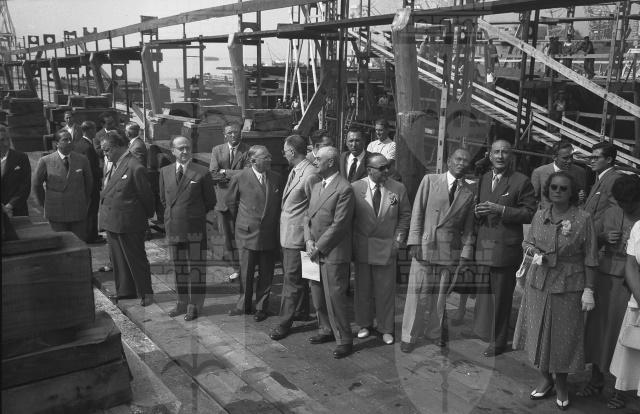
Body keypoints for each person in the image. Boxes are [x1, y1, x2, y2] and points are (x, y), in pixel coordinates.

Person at [520, 171, 598, 411]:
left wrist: (589, 289)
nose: (557, 191)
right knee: (538, 332)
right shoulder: (540, 214)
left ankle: (562, 383)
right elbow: (527, 242)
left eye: (564, 188)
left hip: (568, 285)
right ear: (548, 189)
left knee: (563, 338)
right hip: (539, 283)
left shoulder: (583, 219)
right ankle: (545, 378)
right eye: (554, 187)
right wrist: (533, 251)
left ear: (572, 192)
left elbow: (591, 257)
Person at [400, 148, 476, 353]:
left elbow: (469, 227)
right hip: (425, 245)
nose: (461, 163)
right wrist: (414, 241)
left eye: (466, 161)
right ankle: (409, 335)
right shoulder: (430, 180)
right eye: (458, 159)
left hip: (449, 249)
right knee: (417, 293)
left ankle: (434, 332)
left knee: (440, 296)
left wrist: (466, 253)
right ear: (449, 161)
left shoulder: (469, 192)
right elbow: (417, 212)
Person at [473, 139, 536, 357]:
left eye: (505, 152)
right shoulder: (484, 178)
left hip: (504, 248)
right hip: (484, 243)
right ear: (490, 155)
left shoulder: (521, 181)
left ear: (511, 156)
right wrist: (477, 212)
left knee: (501, 298)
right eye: (496, 152)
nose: (500, 156)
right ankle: (483, 330)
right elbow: (479, 206)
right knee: (484, 295)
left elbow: (529, 213)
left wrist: (501, 210)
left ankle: (498, 341)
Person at [580, 174, 640, 400]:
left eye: (630, 203)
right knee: (599, 333)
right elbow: (589, 240)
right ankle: (595, 379)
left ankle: (620, 389)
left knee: (624, 337)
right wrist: (603, 237)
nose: (625, 207)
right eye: (621, 202)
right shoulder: (611, 212)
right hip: (605, 280)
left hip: (632, 285)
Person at [352, 153, 411, 345]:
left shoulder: (398, 188)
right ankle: (364, 324)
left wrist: (398, 241)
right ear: (369, 170)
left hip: (387, 247)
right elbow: (349, 218)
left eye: (388, 166)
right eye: (381, 168)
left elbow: (405, 217)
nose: (387, 171)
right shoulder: (355, 188)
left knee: (385, 291)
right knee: (363, 289)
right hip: (363, 247)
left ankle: (386, 328)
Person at [305, 146, 355, 359]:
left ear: (331, 162)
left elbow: (340, 225)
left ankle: (344, 339)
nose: (315, 162)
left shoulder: (344, 189)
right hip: (313, 250)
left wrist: (318, 247)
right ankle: (325, 329)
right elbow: (307, 216)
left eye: (318, 159)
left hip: (333, 252)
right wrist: (308, 240)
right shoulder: (317, 185)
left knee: (335, 297)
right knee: (317, 294)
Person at [160, 136, 216, 321]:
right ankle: (181, 302)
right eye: (181, 148)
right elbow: (163, 199)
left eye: (187, 148)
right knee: (179, 269)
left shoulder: (202, 172)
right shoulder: (165, 172)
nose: (185, 151)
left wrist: (192, 215)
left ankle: (195, 306)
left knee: (196, 269)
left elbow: (210, 201)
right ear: (172, 151)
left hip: (194, 229)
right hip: (174, 227)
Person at [270, 135, 320, 341]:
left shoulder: (310, 174)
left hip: (299, 236)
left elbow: (315, 207)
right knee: (301, 277)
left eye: (285, 151)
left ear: (292, 152)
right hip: (292, 234)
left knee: (292, 280)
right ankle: (301, 311)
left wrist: (309, 237)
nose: (284, 154)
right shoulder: (297, 170)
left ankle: (284, 323)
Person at [226, 145, 282, 321]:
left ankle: (261, 307)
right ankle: (243, 305)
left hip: (268, 233)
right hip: (247, 233)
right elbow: (231, 204)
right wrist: (244, 222)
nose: (269, 159)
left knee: (266, 273)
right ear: (253, 160)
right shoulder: (240, 177)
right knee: (246, 272)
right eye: (265, 157)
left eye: (269, 156)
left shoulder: (276, 178)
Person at [99, 131, 155, 306]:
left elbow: (146, 196)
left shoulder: (134, 166)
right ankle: (125, 291)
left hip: (129, 223)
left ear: (117, 146)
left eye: (107, 150)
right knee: (118, 260)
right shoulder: (113, 165)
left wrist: (143, 218)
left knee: (136, 259)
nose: (105, 154)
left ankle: (146, 293)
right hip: (113, 221)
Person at [32, 130, 93, 241]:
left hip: (78, 211)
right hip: (56, 213)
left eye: (70, 139)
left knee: (79, 243)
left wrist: (84, 202)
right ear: (56, 143)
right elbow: (37, 184)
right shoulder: (46, 161)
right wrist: (44, 204)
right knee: (61, 243)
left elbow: (89, 183)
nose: (69, 142)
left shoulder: (82, 159)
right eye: (65, 139)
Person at [209, 121, 249, 281]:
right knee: (226, 238)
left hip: (242, 201)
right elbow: (213, 174)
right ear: (224, 135)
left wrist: (225, 171)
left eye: (236, 132)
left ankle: (245, 267)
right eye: (230, 132)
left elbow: (248, 174)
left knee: (242, 237)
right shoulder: (217, 150)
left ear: (240, 133)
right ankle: (236, 268)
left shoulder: (248, 150)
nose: (233, 135)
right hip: (223, 201)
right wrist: (235, 174)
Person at [608, 213, 640, 409]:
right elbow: (631, 266)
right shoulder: (639, 226)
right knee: (632, 350)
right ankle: (621, 391)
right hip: (639, 297)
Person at [530, 140, 586, 209]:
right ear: (554, 157)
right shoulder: (539, 172)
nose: (569, 161)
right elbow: (532, 199)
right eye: (565, 158)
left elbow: (582, 196)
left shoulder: (580, 172)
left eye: (571, 157)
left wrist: (579, 198)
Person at [74, 121, 103, 243]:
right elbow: (91, 168)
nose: (96, 131)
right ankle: (91, 236)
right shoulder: (88, 148)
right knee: (92, 209)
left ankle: (88, 233)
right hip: (91, 184)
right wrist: (103, 172)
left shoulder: (78, 144)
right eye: (94, 129)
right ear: (89, 130)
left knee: (87, 209)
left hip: (81, 182)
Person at [584, 142, 622, 226]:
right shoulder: (601, 178)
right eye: (591, 158)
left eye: (596, 158)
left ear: (609, 160)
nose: (592, 161)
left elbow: (616, 212)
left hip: (601, 232)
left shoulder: (614, 179)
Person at [0, 125, 31, 217]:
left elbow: (25, 186)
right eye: (2, 140)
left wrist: (10, 206)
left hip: (17, 211)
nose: (6, 143)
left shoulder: (21, 158)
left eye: (7, 139)